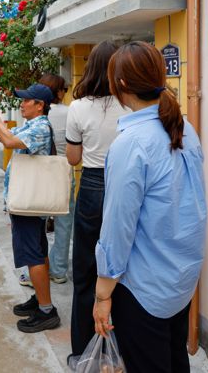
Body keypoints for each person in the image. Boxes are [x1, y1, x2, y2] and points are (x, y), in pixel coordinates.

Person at [92, 41, 207, 373]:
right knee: (173, 359)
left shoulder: (131, 143)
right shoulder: (185, 129)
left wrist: (102, 295)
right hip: (180, 278)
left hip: (143, 286)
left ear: (122, 85)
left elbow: (118, 227)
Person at [66, 41, 129, 363]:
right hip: (126, 183)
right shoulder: (131, 104)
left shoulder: (77, 107)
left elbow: (73, 158)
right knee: (122, 267)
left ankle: (82, 351)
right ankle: (121, 351)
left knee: (86, 270)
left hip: (91, 185)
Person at [0, 83, 61, 333]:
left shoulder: (40, 128)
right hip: (28, 203)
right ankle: (40, 300)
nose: (22, 104)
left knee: (32, 255)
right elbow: (7, 134)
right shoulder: (32, 124)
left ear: (40, 105)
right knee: (38, 251)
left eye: (27, 100)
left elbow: (7, 141)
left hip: (29, 203)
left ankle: (47, 311)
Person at [19, 74, 74, 288]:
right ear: (58, 92)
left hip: (40, 175)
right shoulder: (70, 112)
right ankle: (58, 270)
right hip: (64, 172)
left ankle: (33, 271)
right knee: (64, 224)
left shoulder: (37, 116)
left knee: (36, 226)